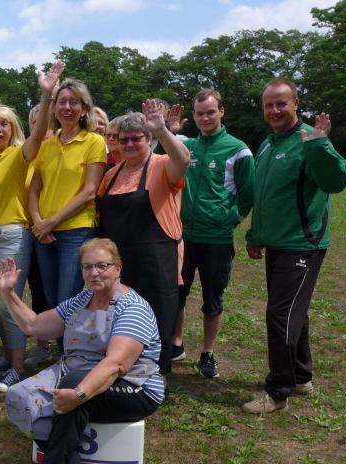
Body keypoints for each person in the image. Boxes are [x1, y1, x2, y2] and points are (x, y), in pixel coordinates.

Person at [0, 238, 164, 464]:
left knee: (75, 385)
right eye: (87, 267)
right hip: (79, 374)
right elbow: (34, 326)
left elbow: (116, 365)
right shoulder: (82, 299)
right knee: (18, 396)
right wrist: (8, 293)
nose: (94, 273)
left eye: (102, 266)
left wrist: (78, 394)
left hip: (135, 387)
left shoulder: (133, 308)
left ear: (118, 268)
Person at [242, 78, 346, 414]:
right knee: (293, 314)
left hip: (302, 244)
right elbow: (265, 195)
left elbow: (336, 181)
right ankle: (301, 377)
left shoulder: (310, 140)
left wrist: (321, 145)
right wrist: (255, 235)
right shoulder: (267, 144)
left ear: (296, 103)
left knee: (280, 315)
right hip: (276, 243)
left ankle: (278, 391)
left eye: (281, 103)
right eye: (268, 105)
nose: (274, 110)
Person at [0, 60, 64, 393]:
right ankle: (11, 356)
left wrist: (47, 97)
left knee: (8, 300)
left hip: (11, 236)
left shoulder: (18, 155)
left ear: (12, 128)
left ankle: (16, 368)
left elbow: (39, 134)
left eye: (3, 124)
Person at [96, 103, 190, 375]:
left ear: (148, 139)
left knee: (158, 318)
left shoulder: (162, 165)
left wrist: (162, 130)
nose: (129, 144)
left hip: (155, 260)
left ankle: (156, 377)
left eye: (136, 138)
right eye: (123, 139)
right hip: (118, 263)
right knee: (120, 319)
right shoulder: (111, 175)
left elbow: (183, 160)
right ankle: (122, 371)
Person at [170, 89, 255, 379]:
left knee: (212, 298)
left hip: (217, 239)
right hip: (183, 236)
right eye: (199, 113)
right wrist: (170, 133)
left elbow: (248, 194)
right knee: (177, 293)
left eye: (210, 112)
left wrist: (230, 220)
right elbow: (155, 161)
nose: (205, 118)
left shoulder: (238, 149)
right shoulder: (186, 146)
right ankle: (176, 343)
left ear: (221, 112)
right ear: (193, 116)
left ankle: (207, 352)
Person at [28, 78, 106, 314]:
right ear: (54, 107)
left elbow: (90, 191)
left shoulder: (94, 142)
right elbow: (34, 189)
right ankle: (60, 338)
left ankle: (70, 340)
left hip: (76, 230)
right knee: (50, 296)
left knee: (67, 298)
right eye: (62, 102)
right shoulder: (46, 145)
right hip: (43, 232)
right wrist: (38, 223)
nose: (67, 107)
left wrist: (50, 222)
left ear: (84, 108)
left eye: (74, 102)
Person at [22, 104, 56, 369]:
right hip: (29, 229)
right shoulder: (24, 153)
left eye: (44, 122)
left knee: (61, 290)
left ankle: (71, 345)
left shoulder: (57, 151)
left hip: (58, 228)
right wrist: (36, 223)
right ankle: (43, 344)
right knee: (38, 289)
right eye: (35, 123)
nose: (40, 127)